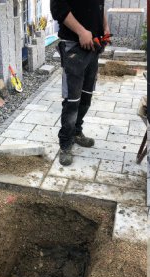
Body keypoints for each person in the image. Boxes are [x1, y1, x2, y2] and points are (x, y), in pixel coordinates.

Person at [50, 0, 110, 166]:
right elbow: (58, 8)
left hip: (94, 46)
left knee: (86, 98)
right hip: (74, 47)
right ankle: (65, 143)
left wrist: (105, 26)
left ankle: (76, 132)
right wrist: (82, 31)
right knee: (72, 101)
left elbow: (99, 5)